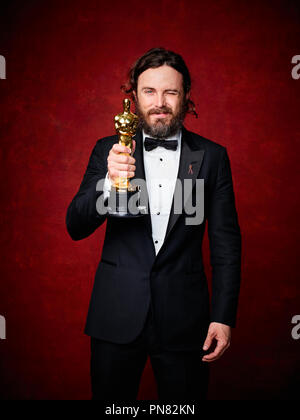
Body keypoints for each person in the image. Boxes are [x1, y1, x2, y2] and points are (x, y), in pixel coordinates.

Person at [66, 47, 242, 400]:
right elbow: (75, 225)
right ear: (134, 97)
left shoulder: (212, 157)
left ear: (185, 96)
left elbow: (226, 244)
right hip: (115, 316)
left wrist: (223, 317)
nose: (159, 102)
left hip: (185, 321)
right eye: (149, 91)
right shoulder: (109, 150)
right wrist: (107, 184)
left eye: (170, 92)